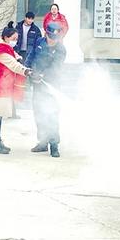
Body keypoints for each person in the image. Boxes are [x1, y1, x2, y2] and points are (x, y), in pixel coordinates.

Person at [0, 27, 32, 154]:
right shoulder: (0, 51)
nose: (15, 41)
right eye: (13, 38)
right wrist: (26, 71)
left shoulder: (5, 47)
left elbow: (14, 55)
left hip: (2, 85)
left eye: (17, 39)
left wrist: (19, 58)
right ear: (6, 37)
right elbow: (13, 65)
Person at [26, 22, 67, 158]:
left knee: (51, 114)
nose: (52, 40)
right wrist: (27, 68)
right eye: (50, 37)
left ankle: (54, 145)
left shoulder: (61, 49)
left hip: (52, 85)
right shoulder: (39, 42)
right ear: (46, 34)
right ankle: (42, 142)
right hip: (37, 85)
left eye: (55, 38)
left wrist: (42, 75)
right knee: (39, 113)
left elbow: (56, 67)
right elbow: (31, 56)